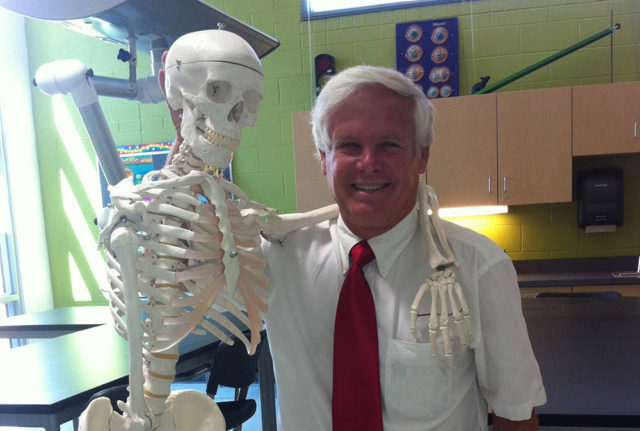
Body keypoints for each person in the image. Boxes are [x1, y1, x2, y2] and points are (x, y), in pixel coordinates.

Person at [162, 63, 546, 430]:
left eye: (390, 145)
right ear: (324, 159)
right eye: (348, 145)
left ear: (422, 155)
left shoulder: (478, 267)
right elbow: (177, 289)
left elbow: (515, 414)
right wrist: (188, 147)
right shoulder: (276, 258)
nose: (368, 163)